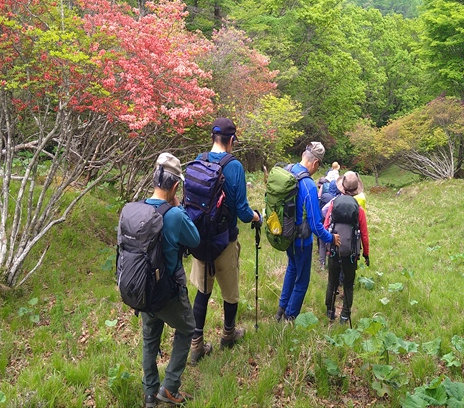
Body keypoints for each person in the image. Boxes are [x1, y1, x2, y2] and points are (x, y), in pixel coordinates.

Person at [189, 117, 262, 365]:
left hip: (200, 240)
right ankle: (228, 335)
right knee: (230, 293)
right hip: (225, 240)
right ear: (231, 140)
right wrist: (256, 217)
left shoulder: (199, 160)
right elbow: (242, 211)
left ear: (212, 137)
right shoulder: (234, 166)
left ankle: (196, 345)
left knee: (202, 291)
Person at [141, 153, 200, 407]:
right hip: (169, 291)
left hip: (143, 290)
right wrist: (178, 207)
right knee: (187, 328)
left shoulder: (138, 209)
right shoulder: (174, 214)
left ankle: (149, 393)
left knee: (150, 337)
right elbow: (194, 239)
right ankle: (170, 387)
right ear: (175, 186)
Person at [275, 142, 341, 321]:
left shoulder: (288, 170)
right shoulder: (308, 185)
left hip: (287, 235)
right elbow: (316, 225)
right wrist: (331, 238)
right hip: (302, 242)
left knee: (291, 269)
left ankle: (281, 310)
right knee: (302, 281)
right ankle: (289, 318)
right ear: (316, 163)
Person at [323, 172, 370, 325]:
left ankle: (330, 311)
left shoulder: (333, 204)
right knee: (348, 285)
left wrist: (328, 245)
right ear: (356, 189)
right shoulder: (359, 210)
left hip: (334, 250)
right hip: (351, 254)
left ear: (342, 187)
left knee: (332, 282)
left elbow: (326, 226)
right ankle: (344, 316)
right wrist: (366, 254)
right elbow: (364, 235)